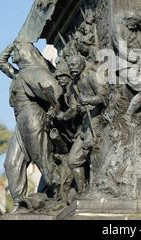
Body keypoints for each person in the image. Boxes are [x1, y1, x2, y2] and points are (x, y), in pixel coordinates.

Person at [0, 41, 63, 207]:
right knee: (11, 163)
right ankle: (21, 202)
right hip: (21, 123)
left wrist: (53, 104)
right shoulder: (20, 74)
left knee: (43, 161)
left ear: (24, 53)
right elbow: (0, 62)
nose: (12, 56)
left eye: (15, 52)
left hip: (33, 119)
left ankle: (60, 192)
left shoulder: (35, 72)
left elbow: (55, 91)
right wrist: (14, 44)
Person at [57, 54, 107, 193]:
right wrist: (62, 116)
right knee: (73, 160)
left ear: (82, 63)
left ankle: (96, 188)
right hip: (85, 123)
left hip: (97, 118)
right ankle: (82, 192)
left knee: (92, 151)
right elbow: (73, 109)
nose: (72, 69)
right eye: (70, 67)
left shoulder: (91, 75)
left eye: (74, 65)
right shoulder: (74, 84)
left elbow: (103, 96)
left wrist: (89, 100)